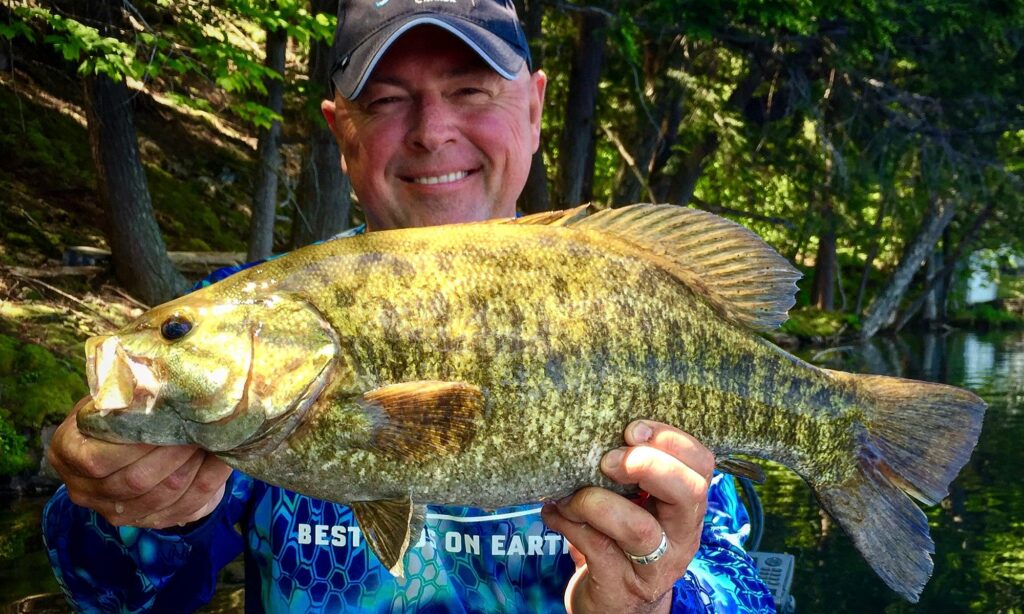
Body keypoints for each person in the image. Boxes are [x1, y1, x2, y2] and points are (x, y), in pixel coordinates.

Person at [43, 0, 774, 611]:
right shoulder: (255, 307)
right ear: (341, 133)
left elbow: (741, 588)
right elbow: (113, 597)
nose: (431, 130)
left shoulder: (631, 309)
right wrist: (122, 514)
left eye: (471, 89)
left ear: (536, 108)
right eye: (387, 99)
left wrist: (661, 600)